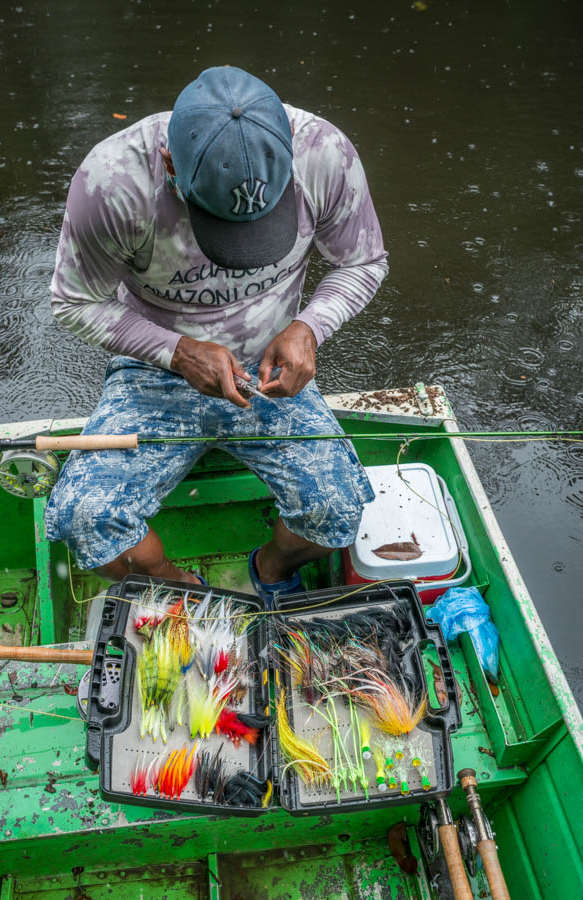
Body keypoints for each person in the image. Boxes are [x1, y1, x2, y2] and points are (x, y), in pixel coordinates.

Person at [45, 65, 388, 604]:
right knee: (83, 521)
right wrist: (177, 352)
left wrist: (308, 328)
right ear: (168, 162)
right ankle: (181, 587)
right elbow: (73, 300)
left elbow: (363, 263)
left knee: (339, 509)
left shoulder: (324, 153)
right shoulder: (112, 183)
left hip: (268, 371)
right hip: (152, 370)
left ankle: (270, 572)